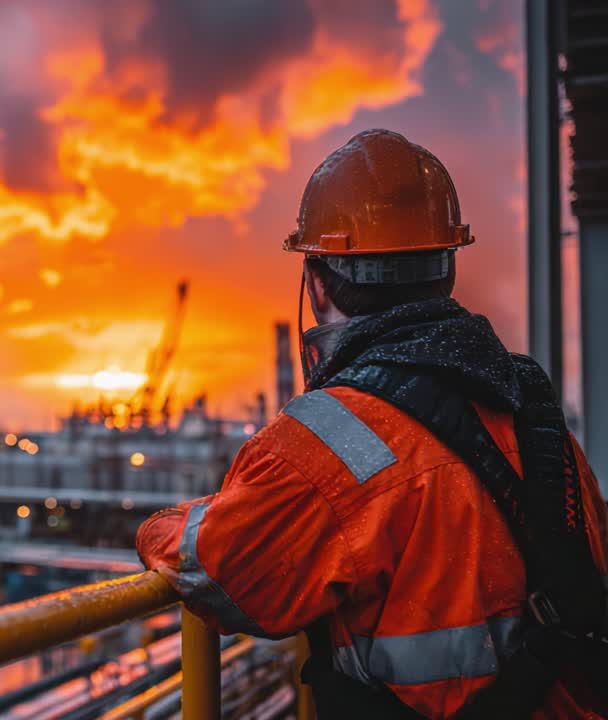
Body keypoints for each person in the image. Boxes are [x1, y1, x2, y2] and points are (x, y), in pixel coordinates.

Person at [135, 129, 608, 719]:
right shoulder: (531, 409)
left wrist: (155, 528)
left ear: (316, 282)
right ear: (447, 269)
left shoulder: (327, 437)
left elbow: (217, 573)